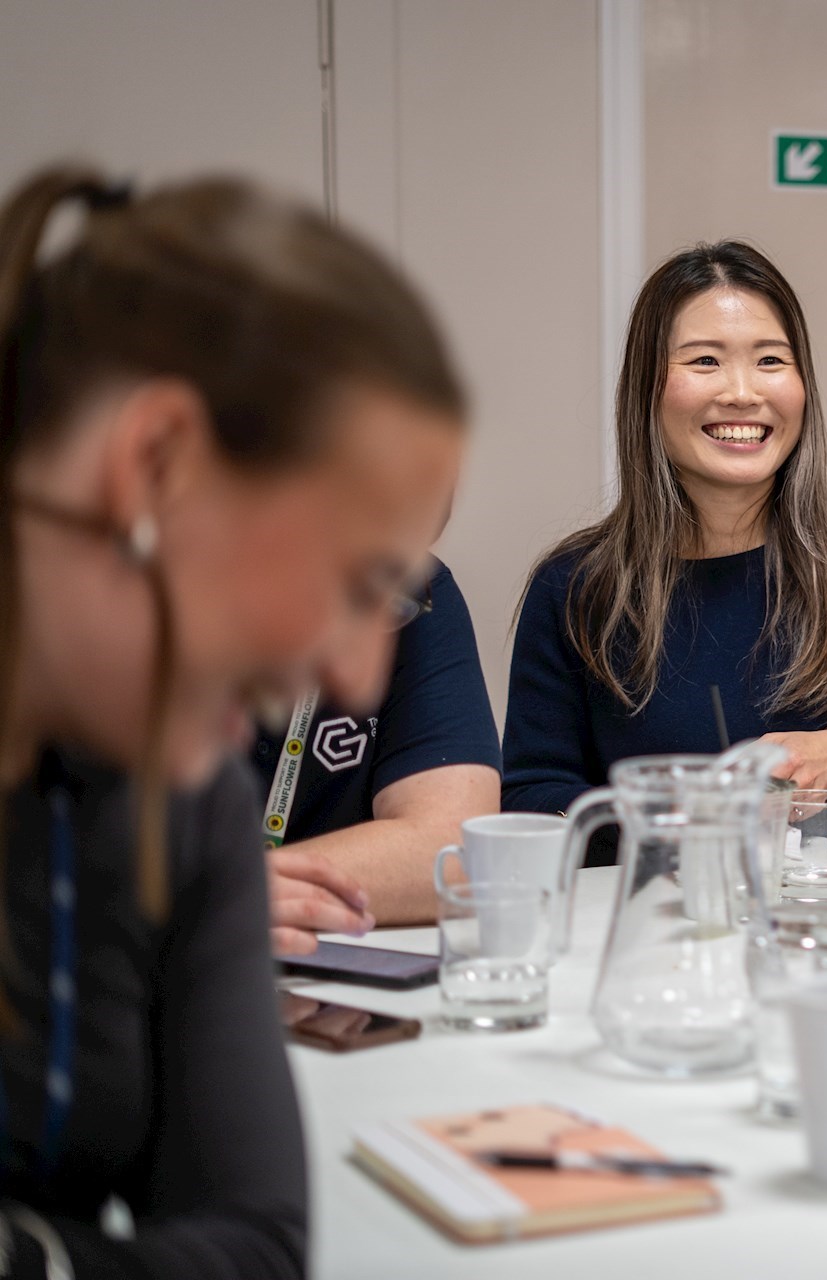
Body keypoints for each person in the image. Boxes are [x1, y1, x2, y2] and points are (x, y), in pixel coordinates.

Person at [0, 164, 465, 1276]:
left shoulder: (188, 803)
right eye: (355, 580)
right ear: (155, 462)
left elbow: (254, 1246)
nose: (360, 672)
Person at [504, 241, 827, 850]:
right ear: (647, 390)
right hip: (658, 925)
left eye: (770, 361)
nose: (741, 392)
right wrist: (680, 816)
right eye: (704, 360)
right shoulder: (575, 584)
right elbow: (530, 799)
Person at [254, 551, 500, 948]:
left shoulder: (415, 589)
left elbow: (457, 853)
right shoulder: (137, 604)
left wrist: (234, 893)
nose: (357, 681)